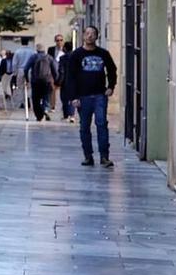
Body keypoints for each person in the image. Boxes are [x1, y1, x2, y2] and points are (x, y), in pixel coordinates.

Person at [61, 25, 119, 168]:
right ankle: (88, 156)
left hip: (100, 95)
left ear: (97, 36)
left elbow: (112, 70)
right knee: (84, 127)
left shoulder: (103, 53)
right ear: (83, 36)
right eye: (87, 33)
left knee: (101, 124)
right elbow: (70, 77)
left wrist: (111, 86)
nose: (90, 36)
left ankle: (104, 156)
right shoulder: (76, 55)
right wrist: (73, 97)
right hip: (83, 96)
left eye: (93, 33)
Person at [27, 43, 57, 122]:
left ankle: (39, 115)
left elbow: (26, 68)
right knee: (46, 98)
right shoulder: (49, 58)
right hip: (47, 81)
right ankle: (44, 111)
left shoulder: (33, 57)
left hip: (35, 81)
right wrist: (56, 80)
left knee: (35, 99)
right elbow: (55, 70)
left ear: (37, 50)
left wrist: (27, 79)